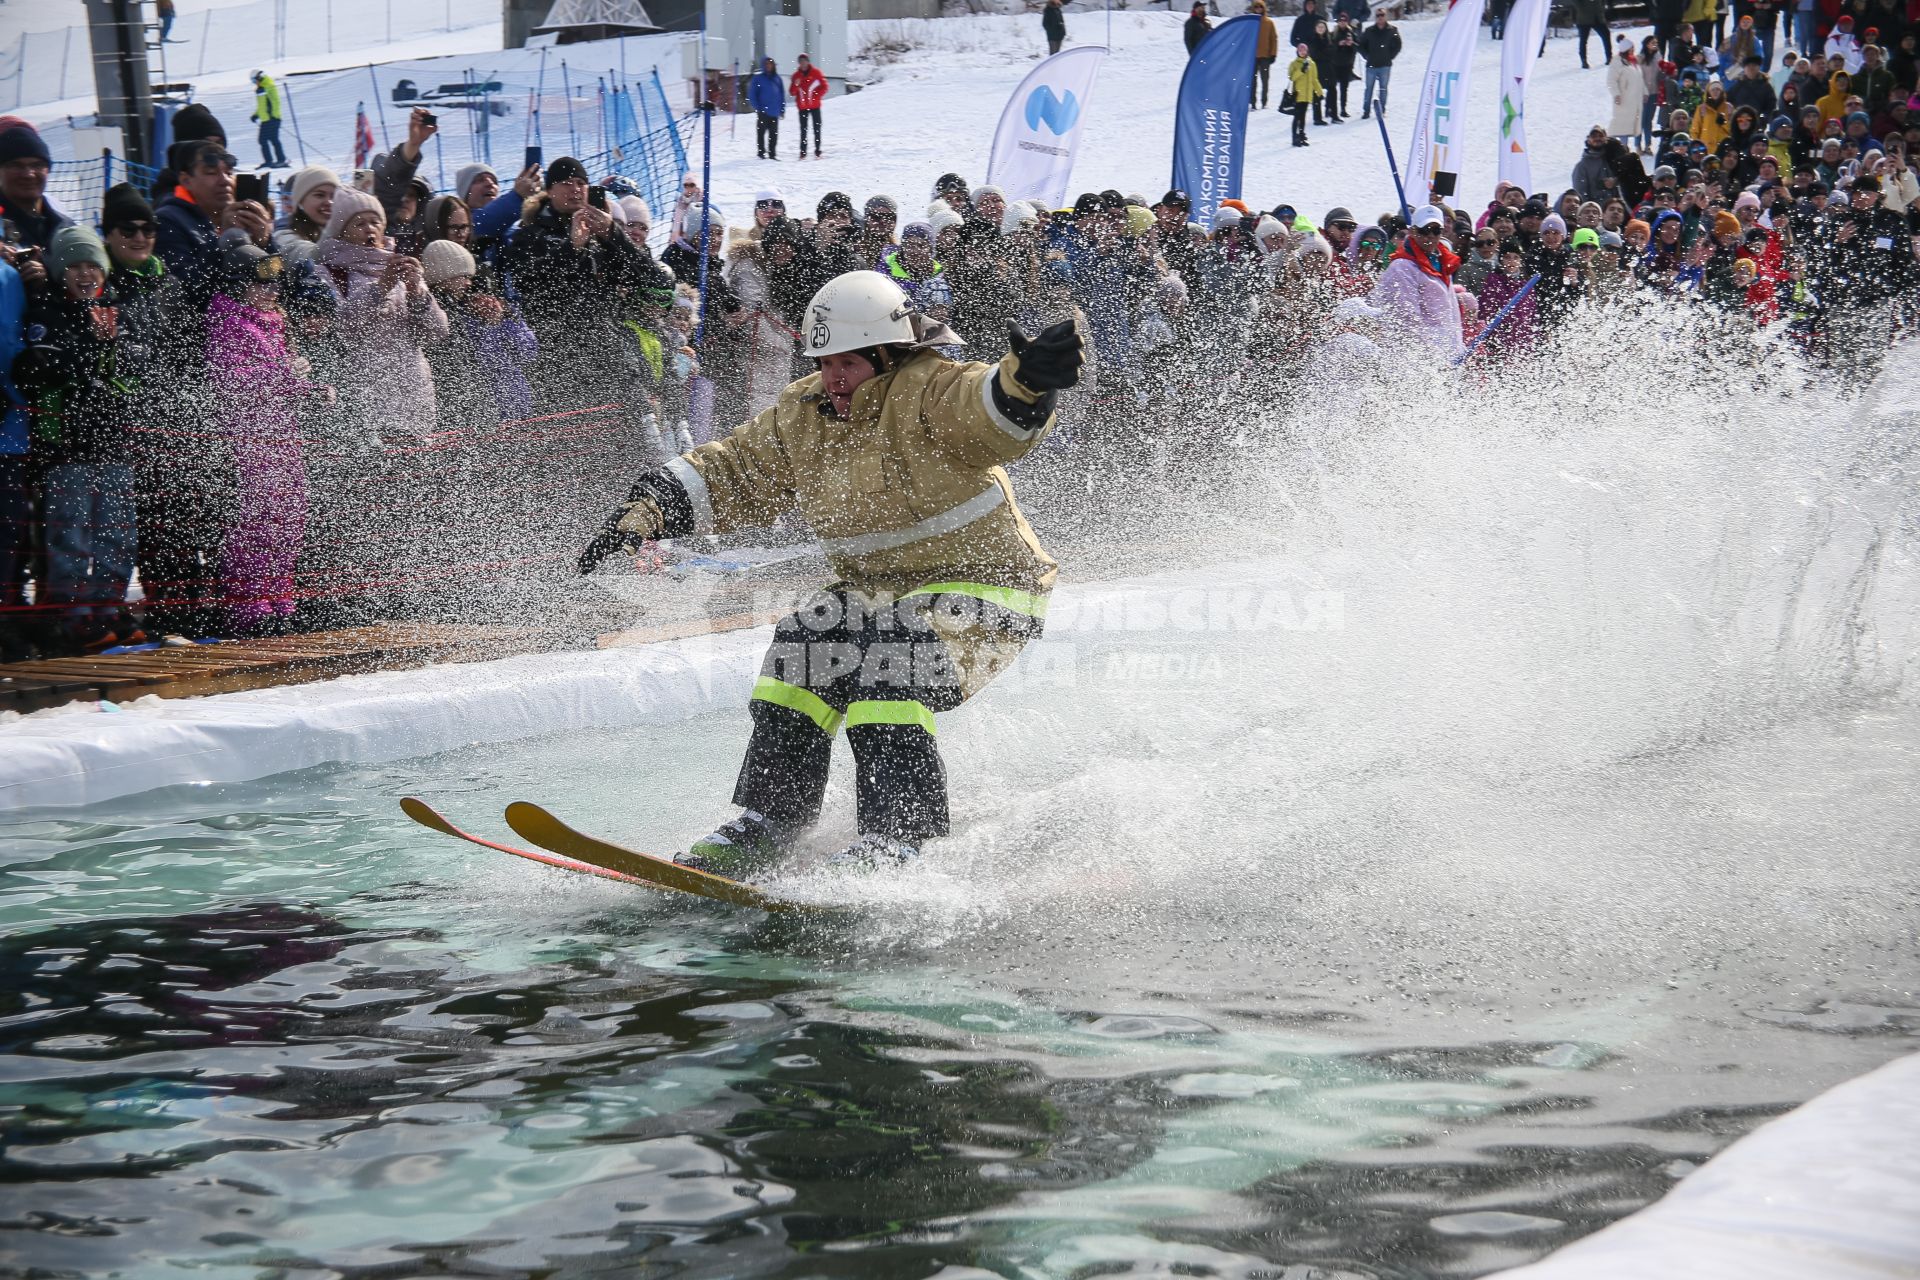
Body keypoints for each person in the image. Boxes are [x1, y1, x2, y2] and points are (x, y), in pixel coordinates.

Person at [577, 270, 1085, 874]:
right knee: (805, 638)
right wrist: (646, 512)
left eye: (847, 362)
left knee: (893, 652)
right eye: (823, 361)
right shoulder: (804, 412)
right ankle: (770, 822)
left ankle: (897, 837)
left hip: (991, 588)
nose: (833, 378)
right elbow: (733, 468)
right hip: (879, 595)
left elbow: (987, 413)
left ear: (886, 352)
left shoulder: (932, 389)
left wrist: (1024, 385)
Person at [10, 227, 139, 652]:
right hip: (66, 447)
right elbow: (41, 371)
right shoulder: (47, 309)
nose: (85, 275)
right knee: (70, 536)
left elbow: (128, 373)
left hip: (113, 444)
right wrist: (76, 368)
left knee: (117, 534)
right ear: (60, 271)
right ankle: (69, 614)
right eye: (75, 266)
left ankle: (107, 608)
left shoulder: (112, 310)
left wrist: (116, 366)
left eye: (92, 266)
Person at [206, 235, 329, 634]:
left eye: (276, 283)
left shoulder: (275, 322)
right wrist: (286, 375)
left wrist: (311, 388)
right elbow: (233, 379)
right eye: (262, 282)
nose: (272, 290)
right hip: (251, 436)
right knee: (259, 517)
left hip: (282, 433)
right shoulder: (229, 322)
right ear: (239, 285)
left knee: (291, 513)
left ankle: (280, 595)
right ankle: (248, 603)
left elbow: (278, 377)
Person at [1366, 203, 1463, 359]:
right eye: (1424, 230)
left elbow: (1452, 317)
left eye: (1436, 230)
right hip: (1415, 360)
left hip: (1447, 357)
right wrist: (1433, 358)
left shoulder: (1443, 265)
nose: (1430, 235)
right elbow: (1406, 320)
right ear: (1412, 231)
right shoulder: (1401, 267)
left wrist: (1459, 349)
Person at [0, 126, 69, 252]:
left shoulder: (64, 226)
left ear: (48, 170)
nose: (28, 174)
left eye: (37, 165)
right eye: (16, 165)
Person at [1358, 9, 1402, 118]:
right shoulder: (1369, 31)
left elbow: (1398, 45)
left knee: (1383, 88)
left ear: (1386, 16)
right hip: (1371, 65)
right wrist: (1367, 56)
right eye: (1378, 15)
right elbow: (1361, 45)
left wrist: (1390, 56)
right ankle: (1366, 111)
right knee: (1369, 89)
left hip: (1385, 65)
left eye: (1382, 15)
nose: (1380, 17)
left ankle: (1382, 110)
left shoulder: (1392, 30)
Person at [789, 54, 828, 159]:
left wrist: (816, 95)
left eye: (804, 61)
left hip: (815, 106)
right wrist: (796, 85)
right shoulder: (795, 76)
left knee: (817, 128)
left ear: (808, 61)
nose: (803, 63)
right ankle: (803, 152)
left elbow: (825, 86)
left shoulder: (816, 73)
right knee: (803, 130)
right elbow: (792, 92)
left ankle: (818, 151)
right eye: (800, 61)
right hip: (802, 107)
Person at [749, 57, 787, 161]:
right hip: (763, 111)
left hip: (775, 111)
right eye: (766, 64)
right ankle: (761, 153)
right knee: (761, 133)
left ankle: (772, 154)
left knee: (773, 134)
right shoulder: (758, 78)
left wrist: (782, 109)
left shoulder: (777, 79)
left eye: (771, 64)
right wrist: (758, 108)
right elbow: (752, 95)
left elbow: (781, 95)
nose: (769, 66)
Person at [249, 70, 287, 169]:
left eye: (254, 81)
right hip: (266, 120)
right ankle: (269, 161)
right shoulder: (261, 88)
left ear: (259, 78)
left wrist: (272, 115)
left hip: (272, 119)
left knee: (271, 139)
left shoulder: (268, 85)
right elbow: (262, 105)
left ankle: (281, 160)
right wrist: (256, 115)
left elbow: (275, 102)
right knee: (265, 140)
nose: (254, 83)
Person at [1287, 43, 1322, 146]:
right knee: (1297, 117)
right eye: (1300, 50)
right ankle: (1295, 137)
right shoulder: (1294, 64)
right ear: (1297, 51)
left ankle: (1301, 135)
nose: (1302, 52)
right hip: (1297, 95)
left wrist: (1319, 92)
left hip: (1307, 95)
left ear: (1307, 51)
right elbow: (1291, 77)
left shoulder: (1312, 63)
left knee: (1302, 117)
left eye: (1304, 50)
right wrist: (1301, 70)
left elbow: (1314, 80)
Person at [1251, 1, 1280, 109]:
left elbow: (1274, 39)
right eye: (1256, 7)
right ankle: (1252, 102)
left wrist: (1273, 54)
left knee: (1265, 80)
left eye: (1260, 7)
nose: (1258, 8)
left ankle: (1264, 102)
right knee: (1252, 81)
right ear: (1253, 8)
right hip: (1252, 58)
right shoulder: (1250, 22)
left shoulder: (1269, 22)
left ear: (1264, 8)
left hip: (1265, 57)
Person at [1574, 0, 1612, 67]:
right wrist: (1582, 9)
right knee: (1583, 40)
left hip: (1598, 18)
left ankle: (1609, 57)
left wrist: (1601, 9)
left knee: (1606, 35)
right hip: (1584, 19)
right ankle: (1584, 61)